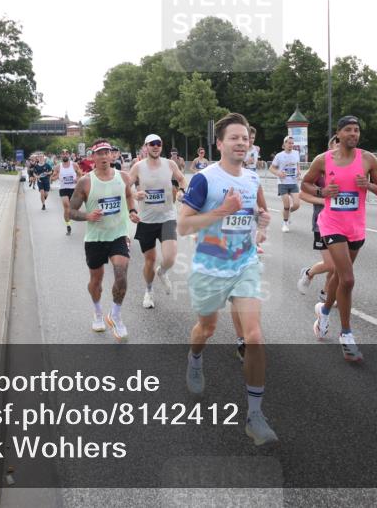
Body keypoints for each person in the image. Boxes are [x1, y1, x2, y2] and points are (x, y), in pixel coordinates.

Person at [178, 113, 276, 446]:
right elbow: (183, 226)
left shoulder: (252, 179)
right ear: (219, 144)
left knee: (255, 337)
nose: (241, 143)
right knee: (206, 329)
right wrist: (222, 210)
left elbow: (260, 216)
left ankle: (255, 415)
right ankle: (195, 359)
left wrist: (262, 225)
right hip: (209, 269)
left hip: (245, 264)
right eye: (233, 138)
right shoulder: (205, 179)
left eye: (245, 138)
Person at [301, 116, 377, 362]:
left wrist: (369, 186)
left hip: (355, 227)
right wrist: (322, 191)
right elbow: (305, 184)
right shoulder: (323, 159)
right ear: (338, 134)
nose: (353, 134)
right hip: (331, 224)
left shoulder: (368, 159)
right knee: (348, 279)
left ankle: (324, 312)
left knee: (339, 276)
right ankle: (347, 335)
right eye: (348, 130)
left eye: (357, 130)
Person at [67, 140, 140, 341]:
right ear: (93, 157)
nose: (104, 156)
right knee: (96, 281)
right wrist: (87, 216)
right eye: (99, 153)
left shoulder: (123, 177)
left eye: (107, 152)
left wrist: (132, 211)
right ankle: (98, 312)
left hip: (118, 235)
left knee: (121, 275)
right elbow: (71, 212)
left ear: (112, 156)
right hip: (95, 239)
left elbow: (128, 196)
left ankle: (115, 315)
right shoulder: (85, 182)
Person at [128, 134, 187, 309]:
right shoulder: (138, 167)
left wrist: (182, 190)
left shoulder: (170, 164)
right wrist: (133, 195)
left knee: (170, 257)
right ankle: (148, 290)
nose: (155, 146)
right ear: (145, 147)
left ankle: (163, 272)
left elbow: (182, 178)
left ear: (161, 146)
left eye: (158, 144)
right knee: (150, 260)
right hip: (146, 220)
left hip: (167, 217)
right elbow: (125, 186)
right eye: (152, 144)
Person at [297, 136, 339, 299]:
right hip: (321, 222)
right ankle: (308, 273)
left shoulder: (350, 167)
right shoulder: (321, 167)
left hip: (342, 223)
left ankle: (326, 292)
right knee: (331, 264)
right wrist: (323, 199)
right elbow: (302, 194)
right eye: (337, 144)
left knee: (338, 266)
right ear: (330, 147)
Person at [270, 136, 302, 233]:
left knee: (296, 204)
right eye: (289, 143)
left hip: (293, 182)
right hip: (282, 183)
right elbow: (271, 168)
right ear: (284, 144)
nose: (291, 145)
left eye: (292, 143)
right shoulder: (279, 156)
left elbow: (297, 164)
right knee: (287, 205)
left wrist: (299, 172)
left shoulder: (296, 153)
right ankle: (285, 223)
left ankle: (287, 214)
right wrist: (278, 173)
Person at [52, 150, 79, 236]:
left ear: (69, 155)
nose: (64, 155)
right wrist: (56, 176)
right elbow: (52, 178)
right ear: (61, 156)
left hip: (73, 189)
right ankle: (68, 225)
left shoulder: (74, 165)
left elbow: (80, 174)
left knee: (73, 209)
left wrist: (77, 179)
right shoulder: (58, 167)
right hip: (63, 189)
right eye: (63, 154)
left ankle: (70, 215)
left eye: (66, 154)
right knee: (66, 206)